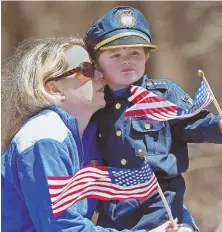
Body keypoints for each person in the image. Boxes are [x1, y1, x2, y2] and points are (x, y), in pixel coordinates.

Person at [1, 36, 175, 232]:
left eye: (96, 67)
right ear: (54, 89)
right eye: (87, 70)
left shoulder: (89, 138)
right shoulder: (45, 137)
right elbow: (63, 228)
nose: (100, 75)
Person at [84, 6, 222, 232]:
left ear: (147, 57)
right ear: (97, 62)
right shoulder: (92, 103)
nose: (126, 61)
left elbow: (193, 122)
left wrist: (218, 125)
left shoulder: (163, 95)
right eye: (115, 54)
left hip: (162, 212)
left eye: (135, 53)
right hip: (113, 217)